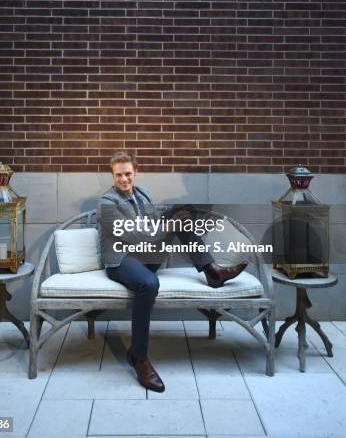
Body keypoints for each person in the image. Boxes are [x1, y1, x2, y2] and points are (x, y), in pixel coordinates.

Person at [97, 151, 246, 392]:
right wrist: (169, 225)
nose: (124, 179)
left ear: (135, 171)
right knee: (148, 284)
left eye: (127, 174)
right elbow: (135, 236)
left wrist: (174, 219)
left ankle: (212, 271)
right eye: (118, 175)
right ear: (112, 175)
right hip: (121, 259)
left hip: (145, 254)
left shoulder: (143, 193)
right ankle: (139, 357)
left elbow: (153, 223)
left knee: (180, 212)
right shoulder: (106, 203)